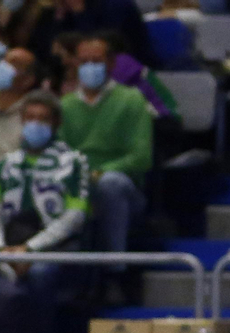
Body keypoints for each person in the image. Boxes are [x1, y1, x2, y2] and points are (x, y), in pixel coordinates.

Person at [0, 90, 87, 333]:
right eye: (30, 118)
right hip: (9, 243)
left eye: (43, 119)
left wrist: (29, 249)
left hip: (54, 246)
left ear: (56, 124)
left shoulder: (73, 163)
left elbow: (75, 216)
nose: (35, 124)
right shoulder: (6, 163)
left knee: (39, 274)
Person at [59, 33, 150, 264]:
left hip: (122, 185)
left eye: (96, 61)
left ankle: (114, 270)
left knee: (110, 184)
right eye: (83, 61)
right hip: (76, 181)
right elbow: (59, 152)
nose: (89, 66)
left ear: (110, 63)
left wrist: (102, 172)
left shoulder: (132, 100)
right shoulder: (65, 105)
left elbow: (141, 157)